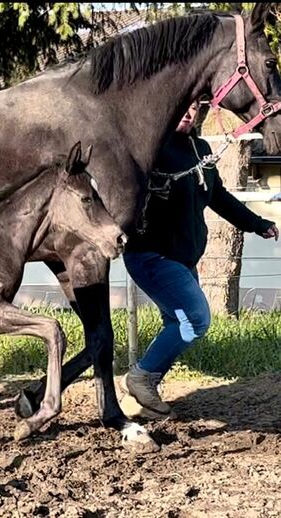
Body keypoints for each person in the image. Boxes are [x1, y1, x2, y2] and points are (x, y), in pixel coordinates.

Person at [121, 100, 279, 416]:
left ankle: (144, 391)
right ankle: (140, 377)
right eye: (182, 105)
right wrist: (148, 189)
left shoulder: (201, 148)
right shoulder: (149, 146)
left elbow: (217, 196)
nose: (188, 112)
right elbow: (123, 188)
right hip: (152, 255)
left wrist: (256, 224)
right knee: (196, 318)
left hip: (184, 258)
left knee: (178, 323)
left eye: (194, 107)